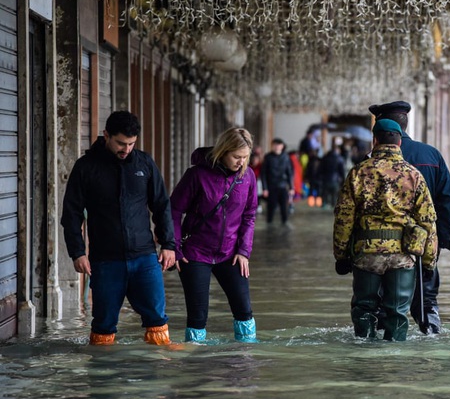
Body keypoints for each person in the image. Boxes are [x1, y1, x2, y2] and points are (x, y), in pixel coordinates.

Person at [60, 110, 175, 346]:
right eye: (121, 143)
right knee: (103, 324)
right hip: (105, 261)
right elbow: (71, 214)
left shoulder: (145, 163)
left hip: (145, 257)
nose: (127, 149)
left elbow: (162, 205)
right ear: (106, 136)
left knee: (157, 320)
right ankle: (103, 377)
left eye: (131, 144)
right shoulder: (86, 167)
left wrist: (168, 244)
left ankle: (156, 374)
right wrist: (78, 252)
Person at [333, 119, 438, 341]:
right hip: (402, 256)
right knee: (398, 313)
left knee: (364, 309)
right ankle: (393, 360)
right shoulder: (414, 175)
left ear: (375, 140)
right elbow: (427, 222)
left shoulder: (358, 173)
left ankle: (365, 360)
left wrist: (341, 256)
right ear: (399, 142)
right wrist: (429, 261)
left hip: (366, 255)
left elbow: (344, 218)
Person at [368, 100, 450, 334]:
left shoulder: (368, 164)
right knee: (426, 300)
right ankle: (431, 333)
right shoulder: (431, 155)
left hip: (377, 246)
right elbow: (446, 200)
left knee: (382, 304)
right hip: (423, 242)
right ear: (405, 124)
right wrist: (442, 240)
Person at [170, 127, 259, 343]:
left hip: (231, 254)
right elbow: (173, 210)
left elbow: (249, 215)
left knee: (244, 311)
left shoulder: (247, 176)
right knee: (198, 316)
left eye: (245, 158)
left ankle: (245, 361)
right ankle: (198, 363)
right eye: (236, 157)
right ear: (223, 151)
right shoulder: (197, 175)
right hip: (195, 254)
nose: (241, 162)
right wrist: (174, 247)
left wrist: (244, 251)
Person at [261, 138, 295, 228]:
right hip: (271, 186)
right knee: (271, 207)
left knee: (284, 207)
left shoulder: (286, 157)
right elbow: (263, 173)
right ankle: (269, 223)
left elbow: (289, 173)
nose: (276, 147)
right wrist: (265, 188)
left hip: (283, 186)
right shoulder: (268, 157)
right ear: (272, 146)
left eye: (278, 145)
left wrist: (292, 187)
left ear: (282, 146)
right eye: (275, 145)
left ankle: (285, 222)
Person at [319, 143, 345, 208]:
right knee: (334, 195)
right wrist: (343, 179)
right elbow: (341, 171)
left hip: (326, 179)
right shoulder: (339, 158)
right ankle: (333, 206)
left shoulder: (325, 158)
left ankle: (324, 204)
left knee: (325, 194)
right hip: (335, 179)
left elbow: (321, 169)